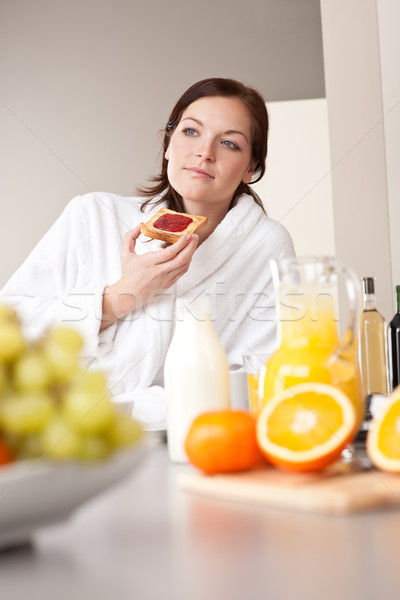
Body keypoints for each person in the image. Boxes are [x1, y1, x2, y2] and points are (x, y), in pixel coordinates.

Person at [0, 77, 295, 429]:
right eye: (191, 132)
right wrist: (117, 299)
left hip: (195, 445)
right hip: (59, 442)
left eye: (229, 143)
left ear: (250, 168)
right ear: (168, 144)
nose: (205, 152)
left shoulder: (265, 246)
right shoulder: (93, 214)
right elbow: (9, 332)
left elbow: (258, 381)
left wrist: (119, 414)